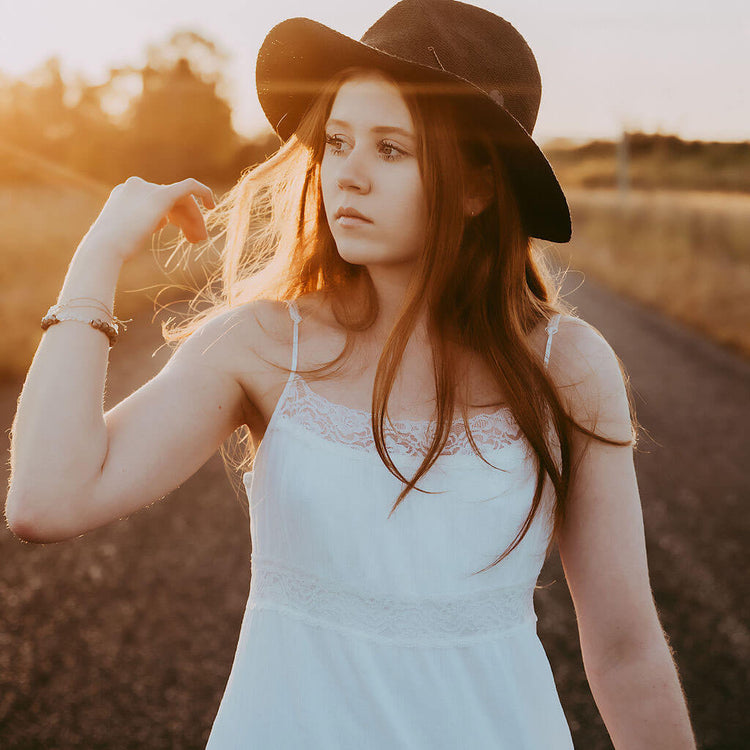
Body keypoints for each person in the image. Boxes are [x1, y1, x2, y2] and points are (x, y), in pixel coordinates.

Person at [7, 1, 697, 747]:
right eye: (337, 142)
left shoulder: (565, 363)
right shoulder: (264, 344)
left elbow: (626, 651)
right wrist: (99, 254)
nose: (348, 176)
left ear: (477, 188)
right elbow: (47, 501)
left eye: (391, 150)